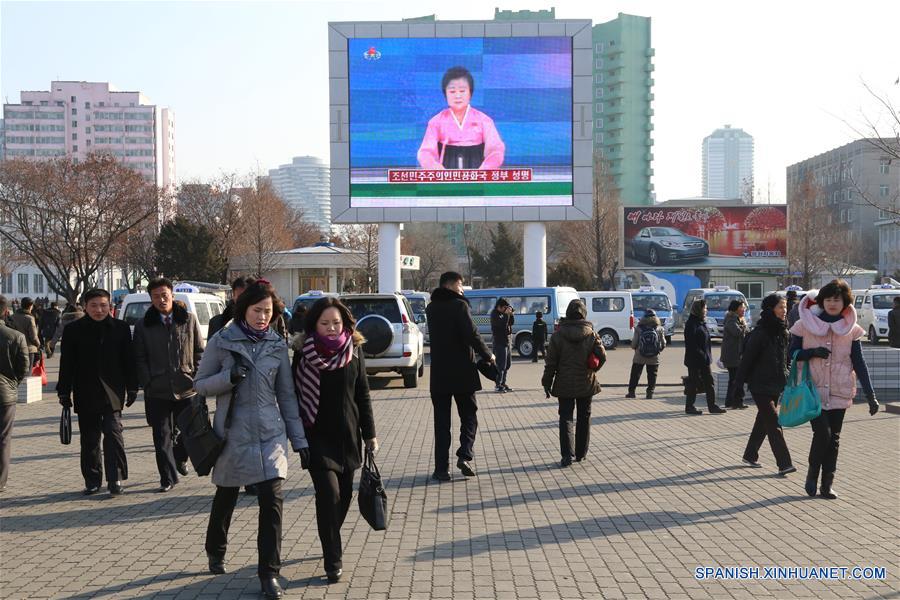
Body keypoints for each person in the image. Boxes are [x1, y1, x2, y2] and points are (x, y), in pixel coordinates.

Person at [195, 280, 307, 600]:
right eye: (257, 310)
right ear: (244, 309)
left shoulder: (276, 345)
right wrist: (228, 378)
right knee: (227, 494)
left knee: (272, 500)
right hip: (233, 435)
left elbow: (286, 397)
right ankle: (216, 548)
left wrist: (299, 442)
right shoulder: (222, 341)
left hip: (270, 435)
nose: (262, 317)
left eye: (268, 312)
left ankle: (268, 573)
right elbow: (201, 384)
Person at [292, 297, 377, 584]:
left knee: (344, 497)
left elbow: (362, 393)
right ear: (314, 324)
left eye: (336, 323)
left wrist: (370, 433)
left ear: (345, 323)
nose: (331, 328)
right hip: (316, 436)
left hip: (348, 436)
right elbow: (293, 395)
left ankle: (329, 534)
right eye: (325, 323)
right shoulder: (304, 353)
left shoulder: (354, 350)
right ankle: (333, 558)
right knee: (329, 495)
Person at [790, 280, 879, 500]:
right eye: (828, 299)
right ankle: (812, 475)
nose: (832, 303)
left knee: (834, 438)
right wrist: (811, 353)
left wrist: (871, 396)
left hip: (840, 390)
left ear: (845, 302)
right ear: (821, 301)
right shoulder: (804, 325)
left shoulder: (852, 330)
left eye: (836, 299)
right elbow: (791, 354)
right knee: (823, 433)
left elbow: (859, 363)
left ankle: (827, 483)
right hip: (813, 391)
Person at [56, 289, 137, 496]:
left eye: (103, 305)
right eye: (94, 305)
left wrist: (133, 386)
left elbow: (129, 360)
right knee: (90, 439)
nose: (99, 310)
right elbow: (66, 364)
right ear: (85, 306)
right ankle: (92, 480)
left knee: (113, 433)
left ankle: (115, 478)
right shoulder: (73, 330)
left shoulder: (120, 328)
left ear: (110, 306)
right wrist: (64, 392)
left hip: (113, 391)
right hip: (85, 391)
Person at [133, 278, 204, 492]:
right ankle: (167, 478)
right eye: (156, 296)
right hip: (158, 390)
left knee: (193, 432)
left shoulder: (188, 320)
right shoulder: (144, 325)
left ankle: (180, 456)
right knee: (161, 437)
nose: (162, 299)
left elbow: (199, 351)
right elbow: (139, 357)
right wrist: (148, 381)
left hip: (187, 387)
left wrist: (197, 376)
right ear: (151, 299)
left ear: (172, 295)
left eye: (165, 295)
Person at [426, 271, 494, 481]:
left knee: (441, 423)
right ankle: (465, 454)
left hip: (439, 374)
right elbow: (471, 334)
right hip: (463, 372)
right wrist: (487, 354)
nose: (462, 289)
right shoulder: (459, 306)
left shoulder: (431, 308)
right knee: (469, 416)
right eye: (460, 285)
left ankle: (441, 469)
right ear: (449, 285)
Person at [734, 294, 795, 475]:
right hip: (759, 385)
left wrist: (787, 373)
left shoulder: (784, 331)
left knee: (763, 420)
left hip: (776, 383)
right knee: (773, 422)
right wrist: (737, 385)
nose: (784, 311)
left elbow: (786, 358)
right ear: (770, 309)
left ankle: (750, 454)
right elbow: (746, 360)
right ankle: (784, 463)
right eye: (780, 307)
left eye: (785, 307)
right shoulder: (760, 333)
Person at [542, 300, 606, 467]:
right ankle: (581, 454)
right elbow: (602, 357)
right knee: (584, 417)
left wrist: (546, 383)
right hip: (586, 382)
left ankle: (566, 456)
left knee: (566, 418)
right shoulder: (592, 334)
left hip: (564, 383)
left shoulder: (557, 336)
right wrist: (592, 371)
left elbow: (551, 364)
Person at [417, 66, 505, 170]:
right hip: (446, 179)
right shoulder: (436, 122)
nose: (457, 96)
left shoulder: (484, 121)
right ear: (445, 94)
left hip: (477, 178)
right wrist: (436, 169)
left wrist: (484, 170)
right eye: (452, 91)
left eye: (462, 91)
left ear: (470, 93)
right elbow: (425, 152)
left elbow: (496, 151)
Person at [0, 296, 29, 493]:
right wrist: (12, 383)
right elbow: (23, 367)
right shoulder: (15, 336)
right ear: (5, 311)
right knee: (3, 438)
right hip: (5, 395)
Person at [683, 299, 727, 415]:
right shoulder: (691, 324)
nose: (706, 310)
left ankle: (712, 406)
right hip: (694, 360)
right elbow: (691, 344)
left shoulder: (701, 322)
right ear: (699, 309)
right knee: (694, 383)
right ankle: (689, 407)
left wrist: (706, 357)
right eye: (705, 308)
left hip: (704, 360)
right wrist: (702, 355)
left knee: (709, 383)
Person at [626, 308, 666, 399]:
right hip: (654, 357)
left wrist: (635, 348)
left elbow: (634, 344)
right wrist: (657, 350)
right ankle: (650, 393)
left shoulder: (639, 328)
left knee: (635, 374)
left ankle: (631, 392)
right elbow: (663, 343)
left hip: (639, 355)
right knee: (652, 375)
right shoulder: (659, 329)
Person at [720, 299, 749, 409]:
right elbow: (737, 332)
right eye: (742, 307)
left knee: (735, 379)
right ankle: (734, 401)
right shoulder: (731, 319)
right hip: (732, 355)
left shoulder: (739, 319)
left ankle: (734, 401)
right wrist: (745, 327)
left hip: (737, 354)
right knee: (735, 379)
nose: (744, 309)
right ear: (736, 309)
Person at [490, 298, 515, 393]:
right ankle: (498, 385)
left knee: (507, 364)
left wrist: (511, 315)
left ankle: (503, 383)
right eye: (504, 308)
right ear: (499, 307)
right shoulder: (494, 314)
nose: (506, 309)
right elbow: (502, 324)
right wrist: (506, 315)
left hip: (506, 341)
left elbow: (511, 323)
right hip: (499, 342)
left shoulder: (503, 314)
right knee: (501, 365)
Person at [10, 296, 41, 367]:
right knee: (27, 373)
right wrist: (38, 345)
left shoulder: (12, 317)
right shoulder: (30, 318)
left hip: (16, 348)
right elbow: (33, 337)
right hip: (29, 349)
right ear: (30, 306)